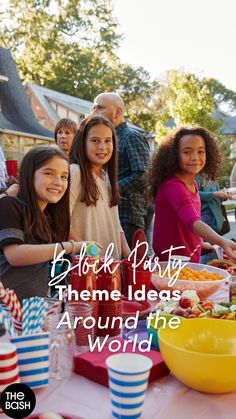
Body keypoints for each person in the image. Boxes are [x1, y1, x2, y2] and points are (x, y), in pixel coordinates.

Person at [0, 146, 87, 302]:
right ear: (29, 174)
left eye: (64, 177)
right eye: (48, 173)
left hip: (35, 310)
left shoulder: (49, 216)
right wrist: (69, 246)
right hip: (7, 313)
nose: (58, 182)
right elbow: (15, 255)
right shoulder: (10, 205)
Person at [148, 126, 236, 263]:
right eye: (187, 152)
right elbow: (193, 222)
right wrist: (222, 241)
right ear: (174, 155)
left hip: (187, 264)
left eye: (201, 151)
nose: (195, 157)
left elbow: (181, 227)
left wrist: (200, 243)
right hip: (170, 267)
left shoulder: (192, 184)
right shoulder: (173, 186)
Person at [92, 93, 152, 249]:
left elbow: (144, 175)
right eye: (93, 108)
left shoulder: (131, 136)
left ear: (118, 112)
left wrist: (110, 189)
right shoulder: (107, 139)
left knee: (131, 269)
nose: (94, 112)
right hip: (110, 217)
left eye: (100, 108)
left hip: (128, 218)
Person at [69, 115, 130, 260]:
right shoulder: (75, 171)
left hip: (112, 266)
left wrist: (130, 256)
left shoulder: (106, 176)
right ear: (82, 143)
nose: (102, 147)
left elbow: (116, 225)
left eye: (108, 141)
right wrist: (91, 255)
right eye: (95, 141)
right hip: (87, 267)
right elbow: (62, 222)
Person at [196, 176, 233, 263]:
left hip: (216, 217)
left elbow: (217, 196)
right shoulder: (196, 174)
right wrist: (214, 194)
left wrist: (224, 195)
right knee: (207, 252)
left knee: (214, 250)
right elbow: (194, 194)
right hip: (204, 217)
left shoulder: (212, 174)